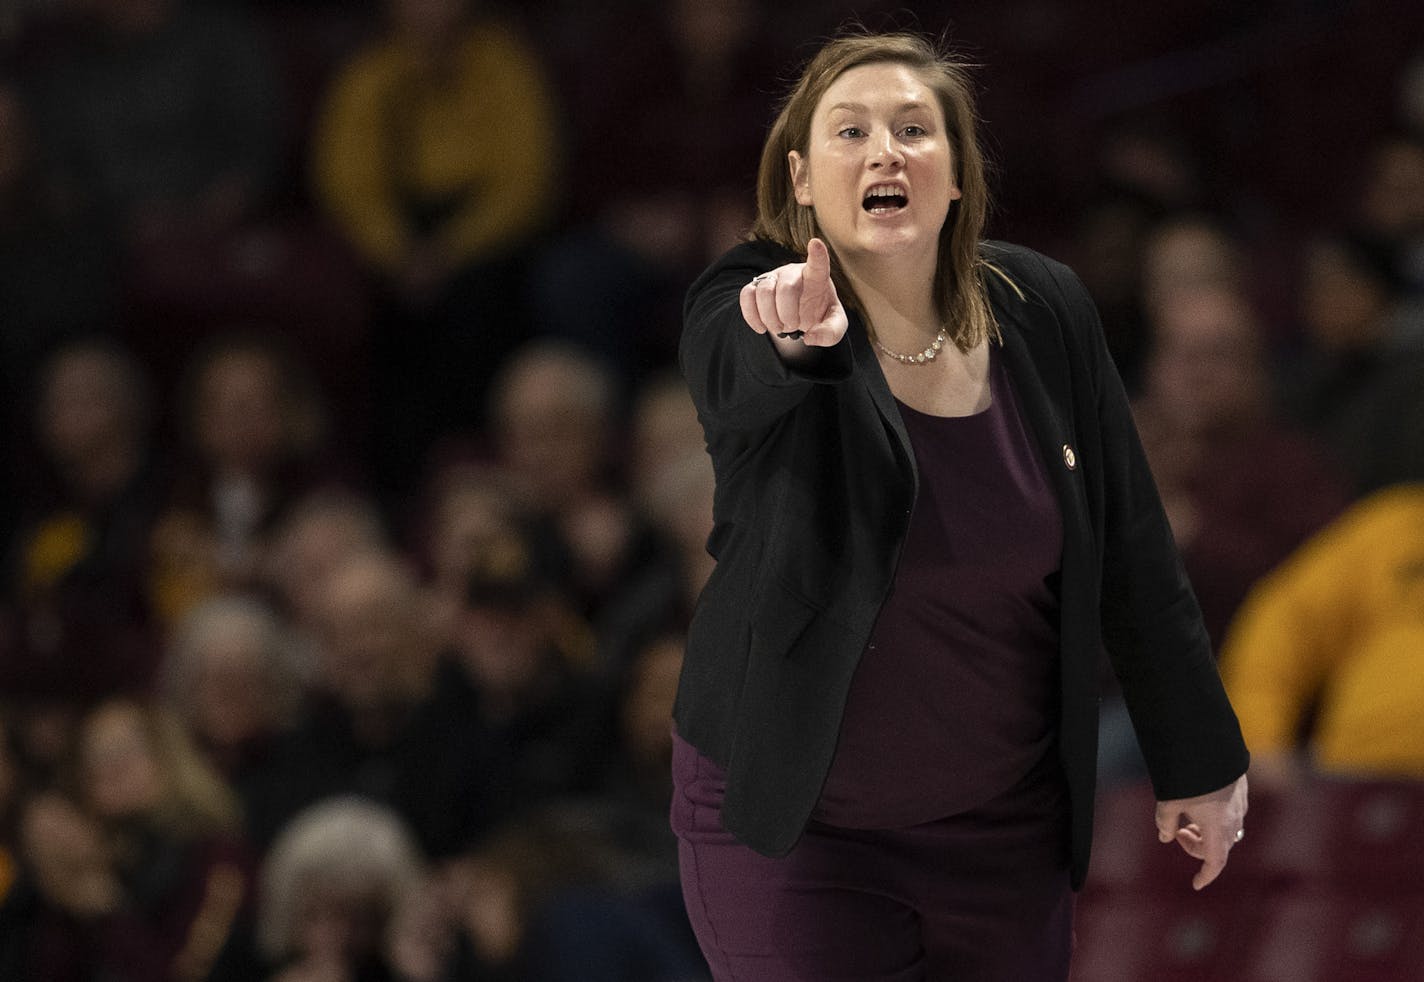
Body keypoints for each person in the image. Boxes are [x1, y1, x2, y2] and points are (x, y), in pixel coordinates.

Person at [671, 31, 1250, 980]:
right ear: (802, 177)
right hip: (802, 835)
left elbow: (1132, 544)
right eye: (849, 131)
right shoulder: (745, 299)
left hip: (1003, 835)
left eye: (913, 129)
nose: (884, 150)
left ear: (956, 173)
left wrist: (1198, 757)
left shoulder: (1044, 305)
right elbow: (735, 374)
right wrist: (801, 340)